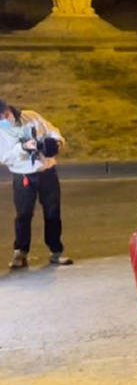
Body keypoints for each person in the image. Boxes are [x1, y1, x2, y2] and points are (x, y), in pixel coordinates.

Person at [0, 99, 72, 268]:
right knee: (24, 214)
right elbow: (4, 157)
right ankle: (20, 252)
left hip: (47, 171)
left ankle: (56, 251)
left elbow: (52, 131)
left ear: (8, 108)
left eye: (5, 113)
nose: (5, 117)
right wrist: (23, 148)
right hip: (23, 174)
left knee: (52, 212)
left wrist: (56, 143)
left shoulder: (31, 116)